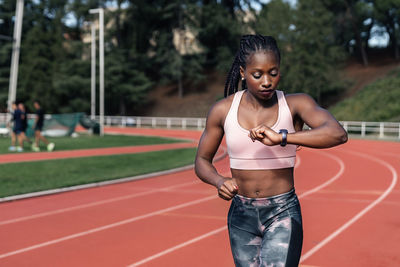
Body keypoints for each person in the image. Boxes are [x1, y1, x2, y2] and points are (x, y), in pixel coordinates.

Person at [194, 35, 347, 267]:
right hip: (241, 215)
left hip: (282, 212)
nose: (267, 81)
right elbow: (202, 160)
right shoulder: (222, 110)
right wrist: (218, 180)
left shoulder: (296, 104)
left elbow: (337, 133)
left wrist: (283, 138)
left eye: (273, 73)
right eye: (258, 75)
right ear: (243, 72)